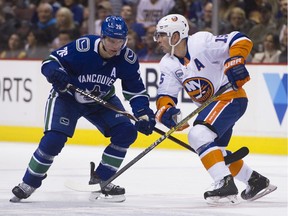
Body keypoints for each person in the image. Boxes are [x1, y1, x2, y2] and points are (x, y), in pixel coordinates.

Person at [10, 15, 156, 203]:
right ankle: (28, 183)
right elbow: (49, 62)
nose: (115, 46)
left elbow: (135, 90)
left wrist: (143, 114)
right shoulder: (83, 47)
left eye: (120, 41)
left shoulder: (126, 59)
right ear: (102, 37)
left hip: (101, 100)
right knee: (54, 140)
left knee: (126, 132)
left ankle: (103, 178)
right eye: (111, 40)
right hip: (67, 99)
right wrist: (56, 73)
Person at [153, 14, 277, 204]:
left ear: (176, 35)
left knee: (198, 135)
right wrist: (167, 111)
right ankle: (255, 181)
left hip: (230, 97)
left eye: (161, 35)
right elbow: (165, 96)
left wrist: (235, 61)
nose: (158, 39)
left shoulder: (202, 43)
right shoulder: (167, 63)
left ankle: (224, 184)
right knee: (215, 151)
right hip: (212, 104)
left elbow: (241, 39)